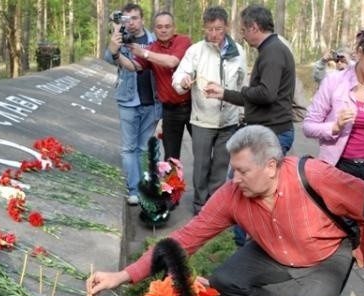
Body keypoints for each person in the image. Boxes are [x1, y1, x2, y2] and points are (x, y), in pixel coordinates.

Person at [88, 125, 364, 296]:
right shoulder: (232, 195)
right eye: (233, 170)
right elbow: (184, 238)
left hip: (324, 256)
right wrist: (122, 275)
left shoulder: (313, 175)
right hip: (273, 251)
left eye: (242, 171)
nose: (235, 179)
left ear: (271, 166)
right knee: (224, 280)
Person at [171, 6, 247, 215]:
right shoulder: (195, 51)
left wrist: (242, 113)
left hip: (229, 120)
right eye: (210, 29)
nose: (214, 34)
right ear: (204, 28)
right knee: (202, 165)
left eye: (219, 29)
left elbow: (243, 83)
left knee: (221, 166)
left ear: (227, 26)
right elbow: (178, 77)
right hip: (202, 119)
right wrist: (183, 82)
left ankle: (214, 207)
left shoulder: (239, 51)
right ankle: (199, 206)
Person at [304, 27, 364, 180]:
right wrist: (334, 127)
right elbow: (308, 127)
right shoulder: (333, 82)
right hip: (337, 168)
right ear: (360, 53)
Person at [203, 4, 296, 154]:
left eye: (244, 31)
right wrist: (223, 93)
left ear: (254, 27)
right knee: (240, 174)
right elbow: (255, 98)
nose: (243, 36)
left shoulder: (273, 52)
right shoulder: (270, 49)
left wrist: (245, 90)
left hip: (272, 133)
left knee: (248, 176)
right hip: (265, 131)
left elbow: (266, 94)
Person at [115, 12, 192, 161]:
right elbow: (133, 66)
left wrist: (143, 53)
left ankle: (206, 184)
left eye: (167, 26)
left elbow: (172, 62)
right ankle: (173, 184)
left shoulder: (183, 41)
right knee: (171, 157)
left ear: (174, 27)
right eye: (159, 27)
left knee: (202, 152)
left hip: (192, 106)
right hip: (169, 110)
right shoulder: (152, 48)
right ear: (154, 29)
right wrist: (116, 54)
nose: (163, 30)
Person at [104, 3, 161, 206]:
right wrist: (114, 42)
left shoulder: (154, 39)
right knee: (129, 148)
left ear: (142, 19)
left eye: (135, 18)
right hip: (128, 99)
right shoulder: (120, 37)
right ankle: (134, 190)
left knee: (145, 147)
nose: (132, 23)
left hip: (152, 100)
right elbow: (108, 58)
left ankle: (149, 187)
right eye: (127, 20)